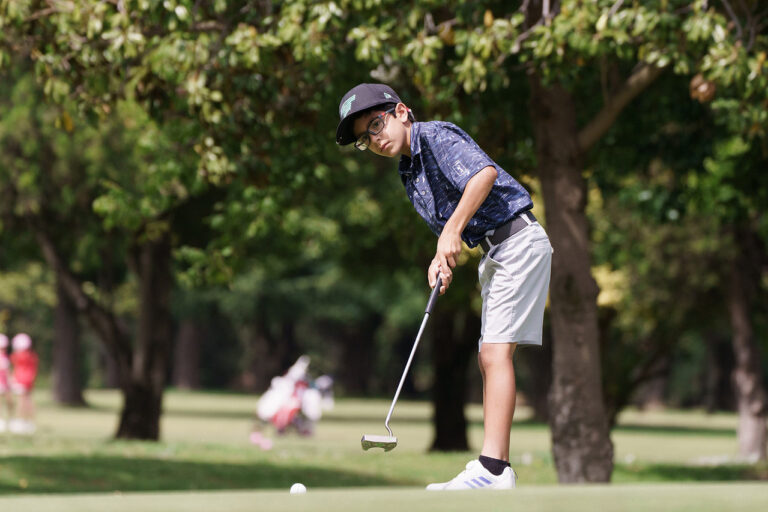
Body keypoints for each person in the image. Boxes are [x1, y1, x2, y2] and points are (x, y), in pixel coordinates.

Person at [336, 83, 552, 491]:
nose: (374, 139)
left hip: (517, 242)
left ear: (401, 111)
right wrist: (442, 258)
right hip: (495, 251)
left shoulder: (435, 136)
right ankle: (494, 467)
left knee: (494, 354)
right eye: (364, 138)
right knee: (490, 355)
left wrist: (451, 232)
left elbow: (484, 174)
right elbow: (450, 230)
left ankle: (493, 470)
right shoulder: (408, 172)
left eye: (376, 124)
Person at [9, 333, 39, 435]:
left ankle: (21, 421)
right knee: (28, 401)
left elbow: (13, 359)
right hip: (29, 380)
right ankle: (29, 422)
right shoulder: (32, 356)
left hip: (21, 380)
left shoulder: (20, 356)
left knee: (21, 401)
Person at [0, 334, 13, 433]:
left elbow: (8, 372)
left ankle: (10, 420)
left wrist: (10, 381)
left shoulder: (5, 358)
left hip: (5, 383)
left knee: (9, 402)